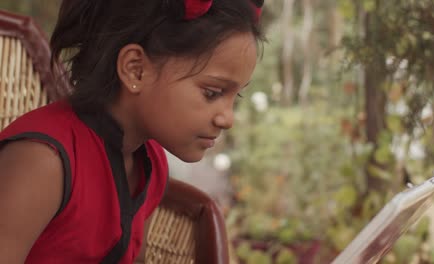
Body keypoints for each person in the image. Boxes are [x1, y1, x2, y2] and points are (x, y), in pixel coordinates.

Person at [0, 0, 264, 263]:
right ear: (135, 70)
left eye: (235, 96)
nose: (227, 119)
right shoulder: (44, 162)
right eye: (212, 93)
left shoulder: (150, 162)